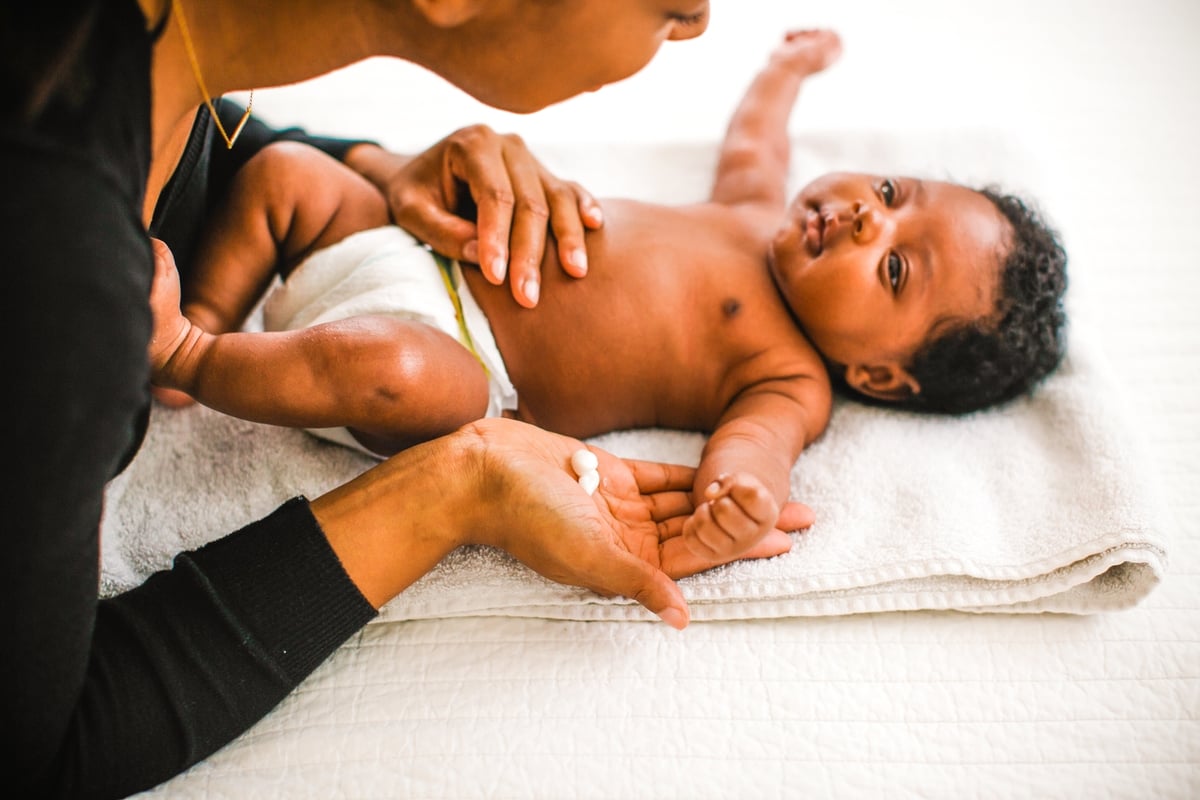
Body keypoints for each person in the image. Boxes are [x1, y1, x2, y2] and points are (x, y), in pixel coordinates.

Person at [4, 2, 820, 797]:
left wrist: (381, 166)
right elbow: (40, 753)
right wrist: (454, 487)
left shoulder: (132, 51)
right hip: (403, 284)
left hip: (458, 348)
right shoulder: (66, 290)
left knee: (392, 344)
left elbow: (216, 138)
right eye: (672, 3)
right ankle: (194, 352)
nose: (698, 18)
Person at [148, 30, 1070, 563]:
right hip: (403, 246)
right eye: (893, 194)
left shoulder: (790, 377)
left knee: (396, 370)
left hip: (461, 362)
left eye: (897, 269)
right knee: (289, 172)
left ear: (882, 371)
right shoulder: (751, 210)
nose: (869, 218)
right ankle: (210, 315)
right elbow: (757, 141)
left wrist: (738, 505)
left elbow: (751, 455)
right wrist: (783, 74)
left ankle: (190, 358)